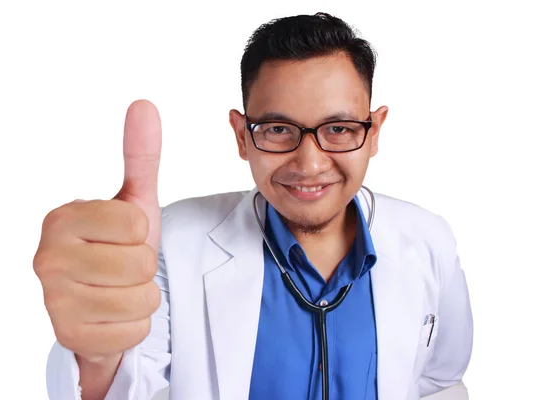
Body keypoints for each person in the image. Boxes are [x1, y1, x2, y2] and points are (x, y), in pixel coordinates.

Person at [34, 12, 473, 400]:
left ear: (373, 132)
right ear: (242, 136)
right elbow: (118, 388)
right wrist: (96, 356)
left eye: (338, 128)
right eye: (279, 129)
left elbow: (440, 381)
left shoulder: (430, 239)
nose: (310, 163)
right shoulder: (173, 242)